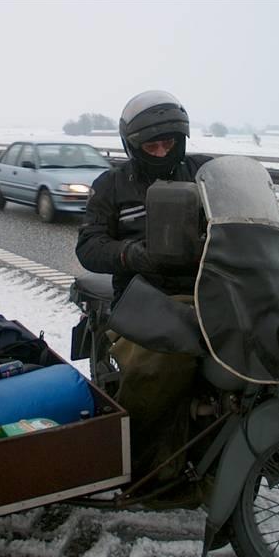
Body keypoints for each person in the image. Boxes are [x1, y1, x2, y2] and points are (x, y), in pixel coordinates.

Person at [75, 91, 213, 496]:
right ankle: (138, 467)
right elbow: (87, 247)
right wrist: (131, 254)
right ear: (132, 147)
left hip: (211, 289)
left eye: (168, 142)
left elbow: (243, 214)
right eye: (151, 145)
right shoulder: (112, 185)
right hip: (143, 298)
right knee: (159, 365)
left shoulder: (204, 174)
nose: (161, 150)